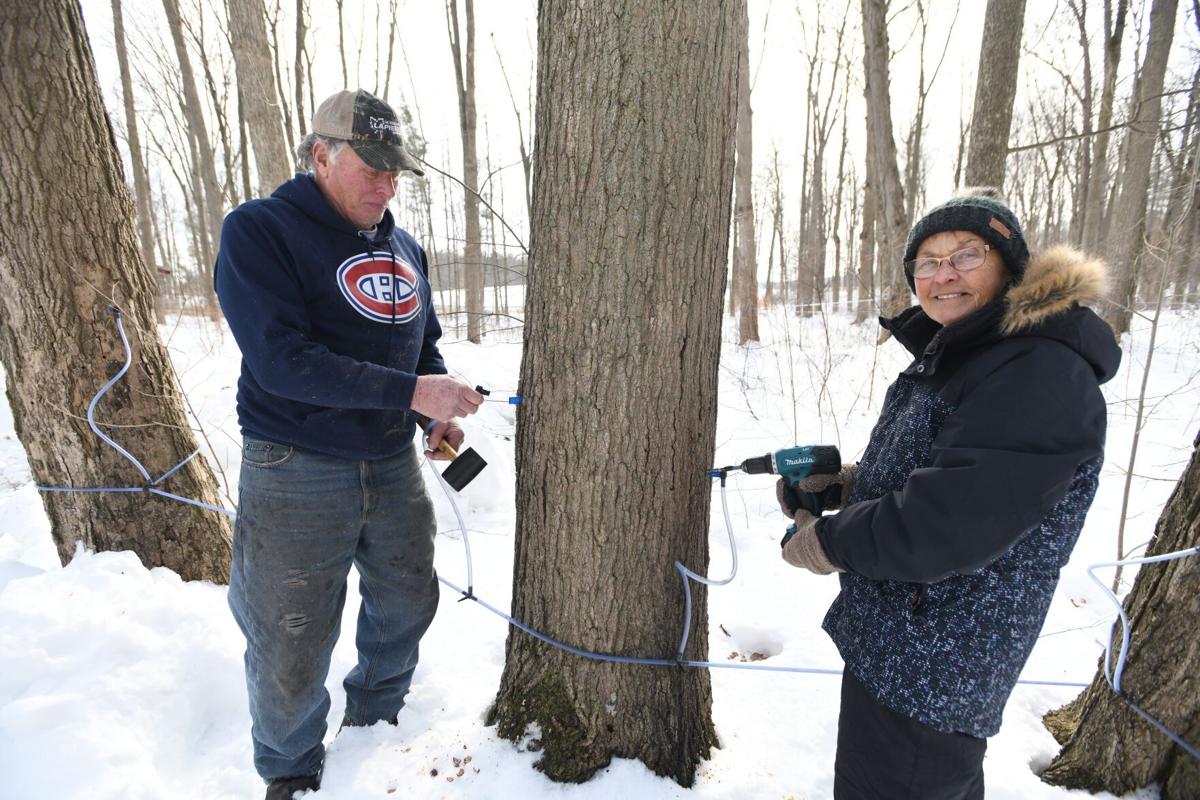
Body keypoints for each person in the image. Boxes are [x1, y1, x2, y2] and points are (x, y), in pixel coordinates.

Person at [777, 191, 1121, 799]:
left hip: (937, 665)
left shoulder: (1039, 371)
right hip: (902, 648)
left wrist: (825, 541)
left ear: (1010, 267)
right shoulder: (978, 352)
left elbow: (945, 525)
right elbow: (961, 470)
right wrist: (853, 484)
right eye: (927, 262)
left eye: (966, 255)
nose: (943, 275)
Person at [215, 88, 483, 800]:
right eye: (370, 167)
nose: (385, 183)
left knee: (407, 599)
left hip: (391, 460)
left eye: (395, 170)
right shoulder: (261, 232)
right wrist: (411, 394)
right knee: (291, 631)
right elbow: (282, 360)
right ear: (320, 156)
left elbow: (421, 346)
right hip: (295, 464)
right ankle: (291, 771)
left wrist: (434, 411)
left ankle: (374, 725)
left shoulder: (405, 246)